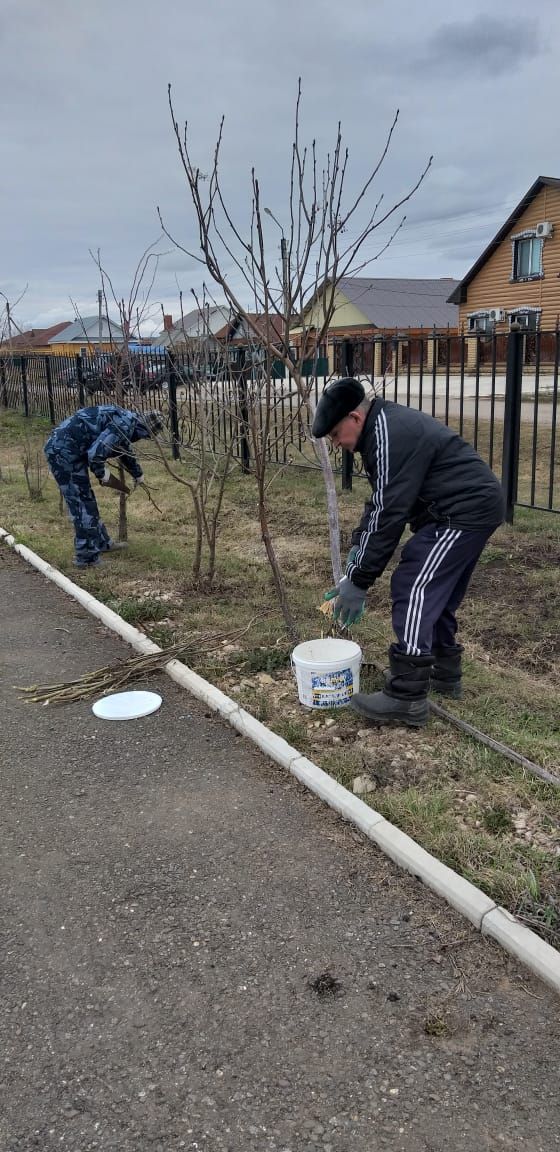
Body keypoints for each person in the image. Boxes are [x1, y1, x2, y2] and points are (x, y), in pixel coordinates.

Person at [312, 378, 505, 728]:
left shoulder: (387, 434)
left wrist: (359, 580)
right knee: (438, 595)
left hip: (461, 512)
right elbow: (382, 499)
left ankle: (406, 695)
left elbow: (390, 513)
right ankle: (444, 673)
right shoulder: (381, 428)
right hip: (465, 508)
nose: (337, 444)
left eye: (337, 434)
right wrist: (359, 547)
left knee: (413, 586)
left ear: (355, 417)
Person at [44, 405, 163, 568]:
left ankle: (101, 543)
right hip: (62, 452)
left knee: (87, 499)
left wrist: (137, 473)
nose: (141, 439)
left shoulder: (127, 420)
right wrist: (103, 474)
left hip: (71, 450)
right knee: (81, 505)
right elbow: (95, 454)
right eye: (145, 436)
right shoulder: (125, 424)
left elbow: (122, 447)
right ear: (143, 430)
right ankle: (86, 559)